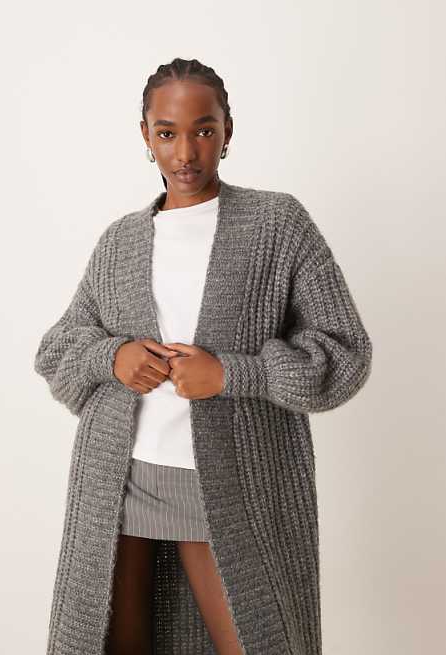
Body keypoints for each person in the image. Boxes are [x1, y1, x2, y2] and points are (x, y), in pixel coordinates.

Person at [34, 57, 373, 655]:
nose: (186, 152)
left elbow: (345, 354)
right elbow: (57, 350)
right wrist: (112, 357)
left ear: (227, 131)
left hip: (232, 483)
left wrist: (232, 374)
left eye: (204, 130)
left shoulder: (277, 225)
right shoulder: (120, 241)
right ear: (146, 136)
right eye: (167, 133)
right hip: (120, 479)